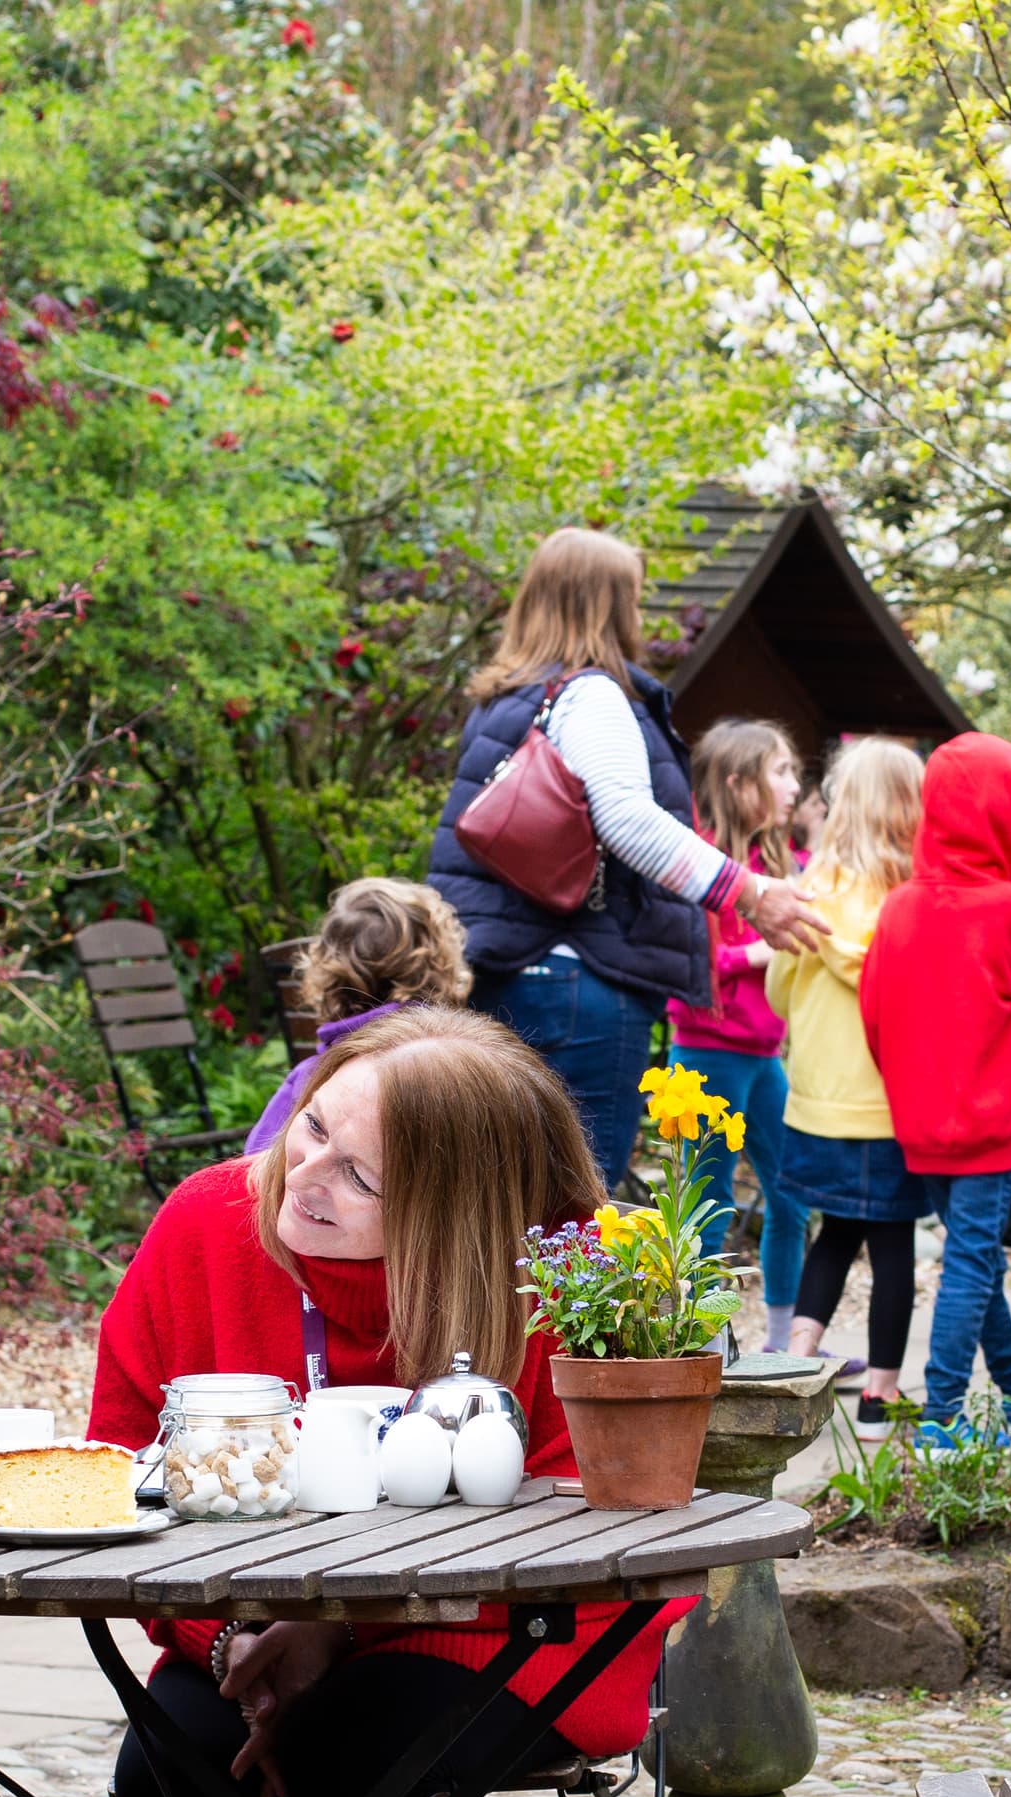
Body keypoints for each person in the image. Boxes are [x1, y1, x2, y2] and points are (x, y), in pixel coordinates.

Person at [84, 1008, 675, 1797]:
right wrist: (224, 1641)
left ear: (459, 1210)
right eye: (311, 1132)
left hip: (513, 1637)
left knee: (361, 1747)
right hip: (245, 1632)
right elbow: (114, 1472)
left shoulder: (570, 1279)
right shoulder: (205, 1226)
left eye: (359, 1175)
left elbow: (594, 1541)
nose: (306, 1175)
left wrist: (337, 1635)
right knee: (166, 1783)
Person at [429, 527, 822, 1181]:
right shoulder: (590, 696)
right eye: (634, 601)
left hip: (501, 972)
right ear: (607, 607)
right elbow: (629, 821)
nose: (639, 618)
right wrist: (748, 892)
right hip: (579, 985)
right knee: (572, 1210)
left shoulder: (507, 701)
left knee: (499, 1201)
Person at [866, 733, 1011, 1445]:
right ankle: (944, 1415)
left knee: (970, 1253)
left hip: (918, 1119)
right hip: (990, 1119)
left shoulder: (898, 908)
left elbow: (874, 1012)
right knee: (972, 1260)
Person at [766, 740, 930, 1422]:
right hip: (888, 1109)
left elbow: (779, 994)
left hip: (814, 1106)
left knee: (834, 1235)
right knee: (894, 1247)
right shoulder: (910, 900)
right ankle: (879, 1396)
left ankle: (796, 1364)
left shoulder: (807, 892)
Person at [668, 718, 812, 1343]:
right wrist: (755, 956)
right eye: (781, 772)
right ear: (737, 782)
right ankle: (702, 1343)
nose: (793, 787)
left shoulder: (779, 862)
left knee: (792, 1194)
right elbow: (686, 963)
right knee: (708, 1201)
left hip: (763, 1055)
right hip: (705, 1053)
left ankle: (784, 1342)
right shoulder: (698, 863)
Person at [244, 876, 474, 1154]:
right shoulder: (464, 1078)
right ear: (441, 964)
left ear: (323, 973)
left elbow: (252, 1167)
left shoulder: (310, 1080)